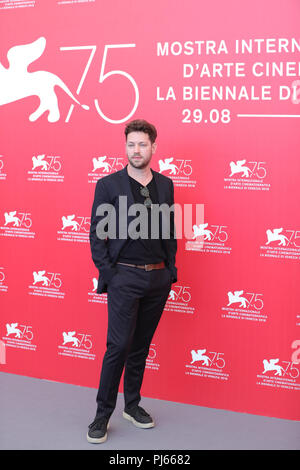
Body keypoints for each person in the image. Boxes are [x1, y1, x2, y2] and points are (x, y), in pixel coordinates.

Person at [87, 119, 177, 443]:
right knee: (118, 346)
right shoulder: (108, 185)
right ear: (125, 147)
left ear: (153, 146)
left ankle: (133, 405)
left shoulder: (165, 184)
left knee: (140, 346)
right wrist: (110, 274)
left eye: (142, 144)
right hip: (124, 276)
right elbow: (97, 235)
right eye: (131, 145)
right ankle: (101, 415)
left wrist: (171, 270)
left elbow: (169, 230)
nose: (136, 150)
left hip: (158, 279)